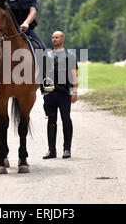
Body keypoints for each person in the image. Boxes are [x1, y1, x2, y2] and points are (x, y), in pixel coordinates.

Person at [43, 31, 78, 159]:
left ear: (63, 39)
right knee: (51, 121)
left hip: (64, 94)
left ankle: (67, 149)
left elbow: (74, 75)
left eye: (56, 37)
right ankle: (51, 150)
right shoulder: (47, 55)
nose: (54, 39)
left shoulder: (70, 55)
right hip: (50, 94)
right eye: (52, 37)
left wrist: (74, 93)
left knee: (66, 119)